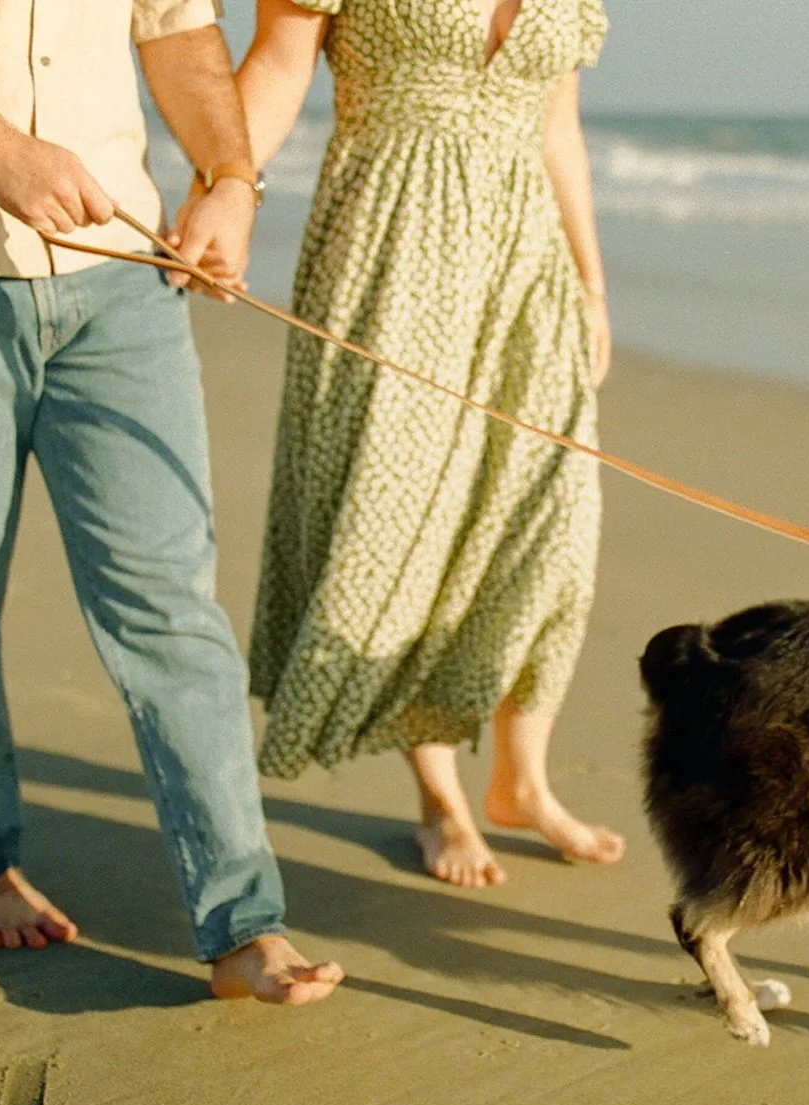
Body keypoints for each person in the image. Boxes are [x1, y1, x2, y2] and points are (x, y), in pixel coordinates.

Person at [0, 0, 343, 1004]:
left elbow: (175, 27)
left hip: (115, 279)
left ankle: (242, 921)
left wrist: (232, 179)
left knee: (170, 599)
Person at [236, 0, 623, 888]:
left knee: (552, 523)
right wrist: (221, 186)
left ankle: (522, 779)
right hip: (391, 252)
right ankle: (440, 797)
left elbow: (556, 124)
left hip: (527, 265)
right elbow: (280, 65)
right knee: (402, 524)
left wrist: (593, 284)